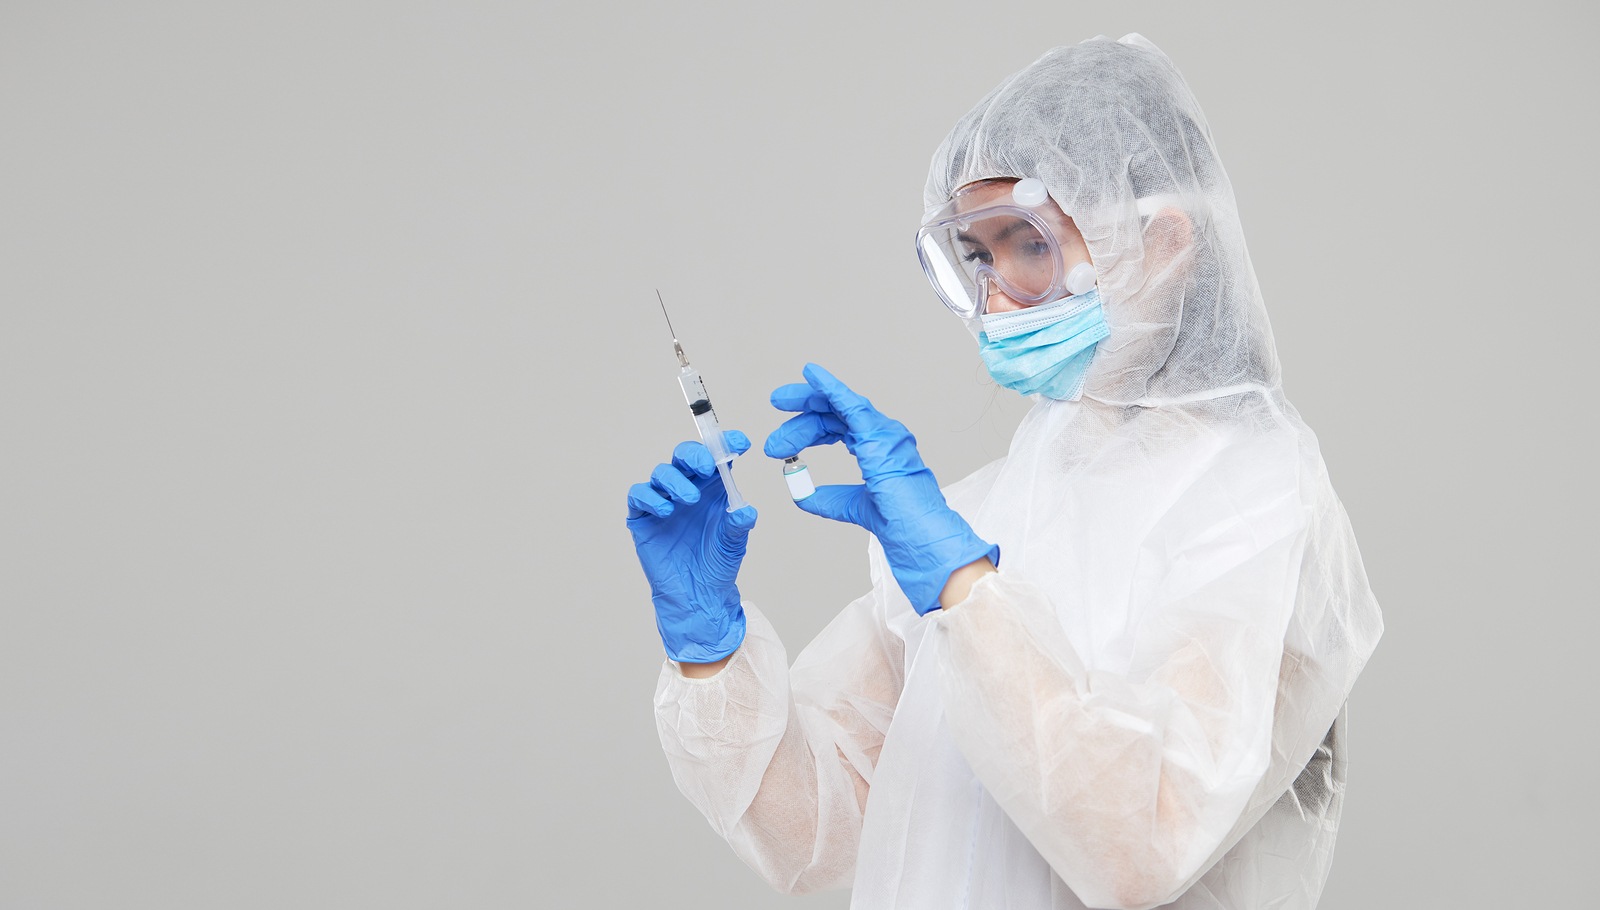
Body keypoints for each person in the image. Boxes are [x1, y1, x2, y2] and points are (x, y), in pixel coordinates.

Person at [626, 34, 1382, 910]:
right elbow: (821, 838)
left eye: (1028, 244)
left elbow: (1145, 842)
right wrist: (711, 653)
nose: (994, 297)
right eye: (978, 257)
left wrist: (968, 595)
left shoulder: (1256, 496)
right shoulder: (977, 512)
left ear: (1163, 241)